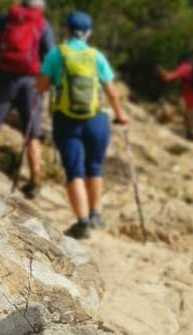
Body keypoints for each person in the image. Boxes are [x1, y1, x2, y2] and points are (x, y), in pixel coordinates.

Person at [36, 10, 130, 239]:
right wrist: (121, 115)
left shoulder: (56, 54)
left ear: (66, 30)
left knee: (74, 171)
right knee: (95, 166)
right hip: (96, 119)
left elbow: (42, 87)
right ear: (88, 33)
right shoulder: (95, 56)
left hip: (66, 120)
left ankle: (82, 221)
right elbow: (111, 91)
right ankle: (96, 213)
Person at [0, 0, 54, 199]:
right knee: (32, 132)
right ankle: (35, 181)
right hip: (31, 82)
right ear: (40, 7)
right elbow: (50, 55)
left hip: (6, 78)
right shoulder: (42, 24)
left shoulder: (8, 19)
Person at [157, 52, 193, 141]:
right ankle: (192, 143)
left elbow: (168, 77)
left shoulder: (184, 68)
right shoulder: (191, 68)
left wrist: (160, 70)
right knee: (189, 123)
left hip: (191, 100)